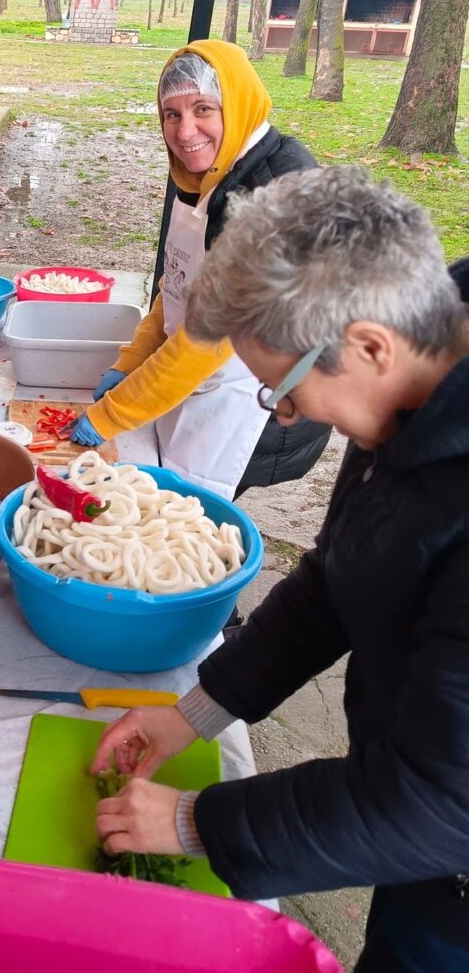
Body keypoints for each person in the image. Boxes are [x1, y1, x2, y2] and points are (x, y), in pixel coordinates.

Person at [91, 167, 469, 973]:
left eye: (284, 397)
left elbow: (442, 803)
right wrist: (193, 713)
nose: (286, 418)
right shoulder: (412, 390)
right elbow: (340, 578)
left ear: (370, 345)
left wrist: (196, 824)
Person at [71, 40, 331, 501]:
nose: (185, 130)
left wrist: (112, 414)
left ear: (237, 103)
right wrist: (132, 361)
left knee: (194, 527)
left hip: (263, 402)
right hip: (207, 379)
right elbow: (179, 279)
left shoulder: (275, 193)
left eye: (203, 109)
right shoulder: (208, 171)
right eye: (171, 114)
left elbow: (208, 339)